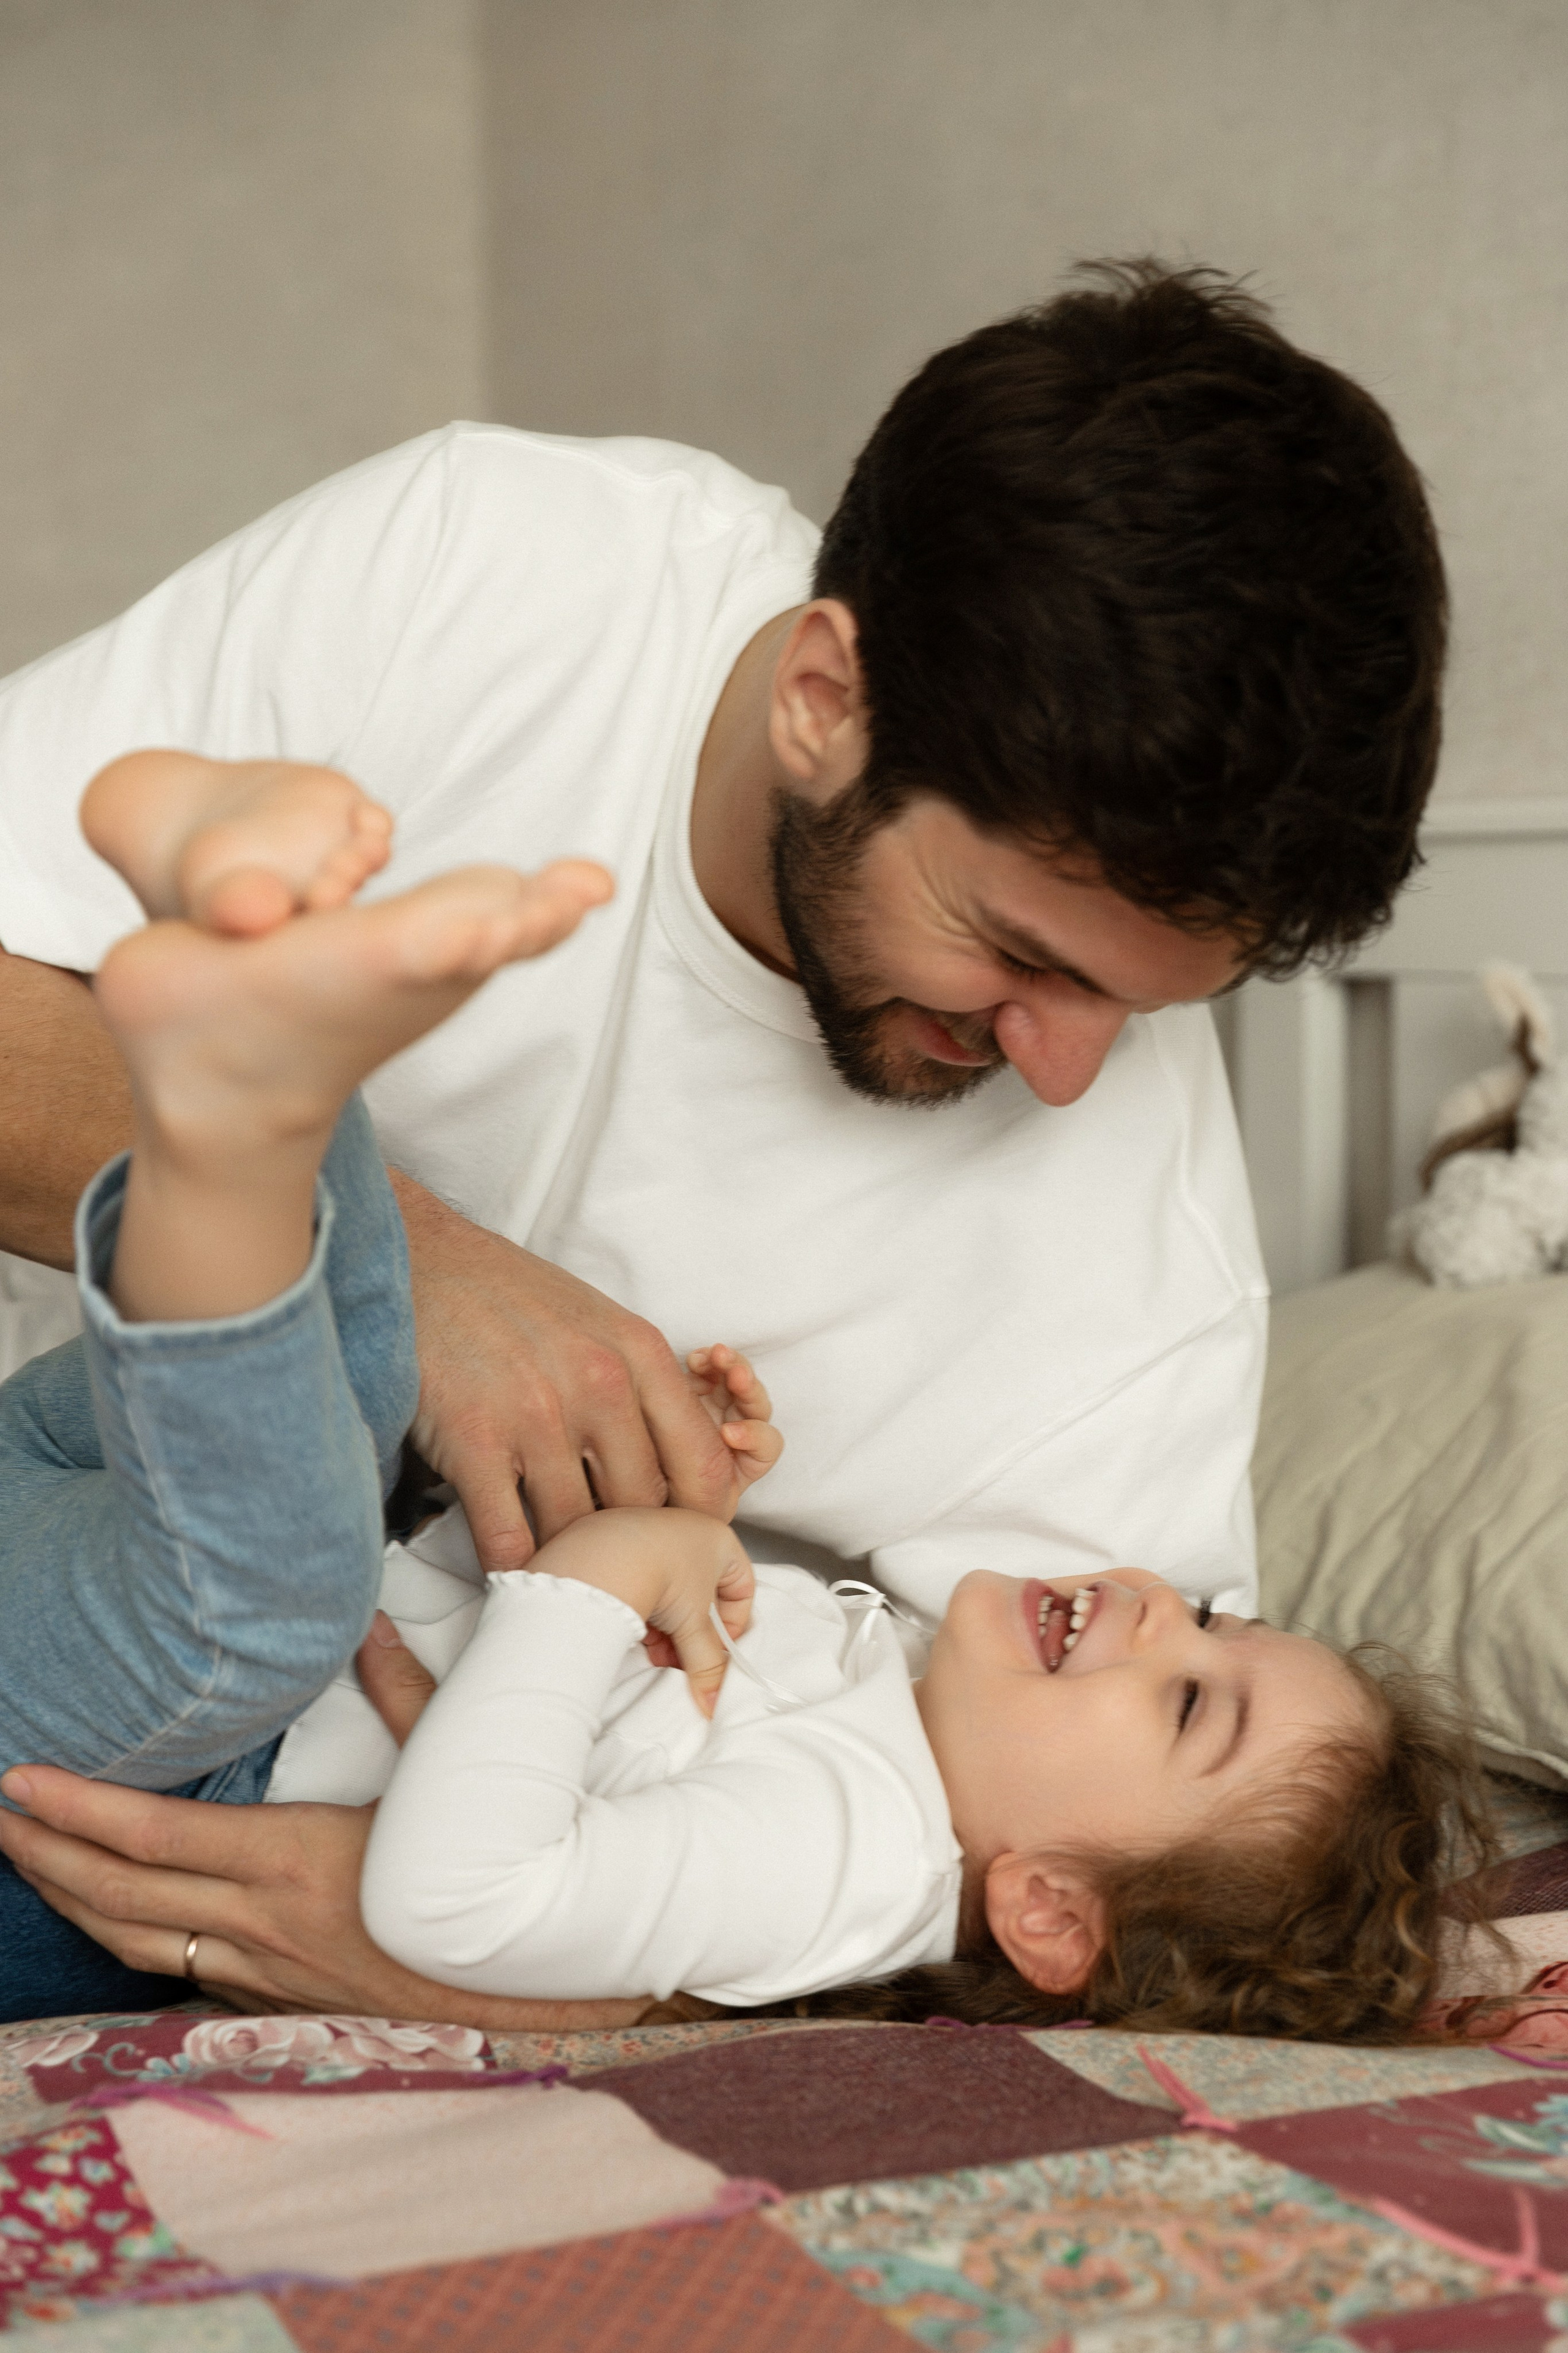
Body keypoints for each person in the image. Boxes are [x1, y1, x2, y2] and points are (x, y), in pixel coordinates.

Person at [0, 261, 1448, 2019]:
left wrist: (523, 1962)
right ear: (823, 698)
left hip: (175, 1759)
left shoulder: (1140, 1283)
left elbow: (1061, 1894)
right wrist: (427, 1270)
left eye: (1140, 1006)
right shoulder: (500, 573)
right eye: (1020, 955)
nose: (1066, 1074)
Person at [0, 758, 1491, 2042]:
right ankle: (258, 1013)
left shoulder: (849, 1854)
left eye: (1187, 1701)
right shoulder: (889, 1695)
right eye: (1214, 1619)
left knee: (281, 1576)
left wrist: (598, 1577)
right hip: (105, 1599)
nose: (1164, 1608)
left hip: (145, 1761)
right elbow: (522, 1654)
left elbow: (453, 1899)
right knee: (375, 1375)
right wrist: (666, 1502)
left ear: (1045, 1909)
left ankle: (243, 1051)